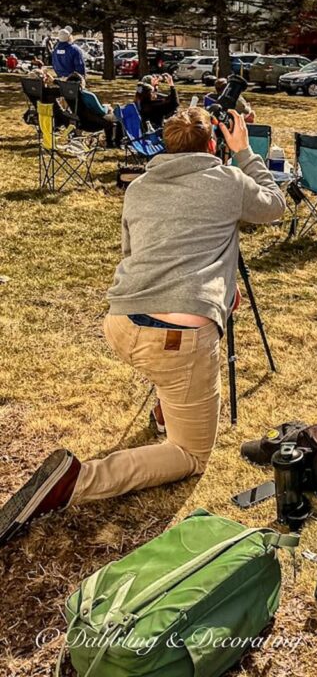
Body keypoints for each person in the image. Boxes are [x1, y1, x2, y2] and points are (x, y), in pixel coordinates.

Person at [0, 107, 285, 548]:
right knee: (190, 455)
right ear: (212, 145)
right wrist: (245, 151)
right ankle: (76, 482)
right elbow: (274, 207)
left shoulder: (140, 186)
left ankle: (166, 408)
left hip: (121, 324)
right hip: (177, 339)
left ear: (166, 145)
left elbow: (133, 252)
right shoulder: (227, 181)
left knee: (172, 368)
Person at [65, 72, 124, 149]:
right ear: (81, 82)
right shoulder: (88, 96)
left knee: (108, 118)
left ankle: (110, 141)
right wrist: (107, 107)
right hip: (95, 123)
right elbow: (101, 111)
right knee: (117, 117)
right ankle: (115, 142)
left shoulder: (69, 96)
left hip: (81, 123)